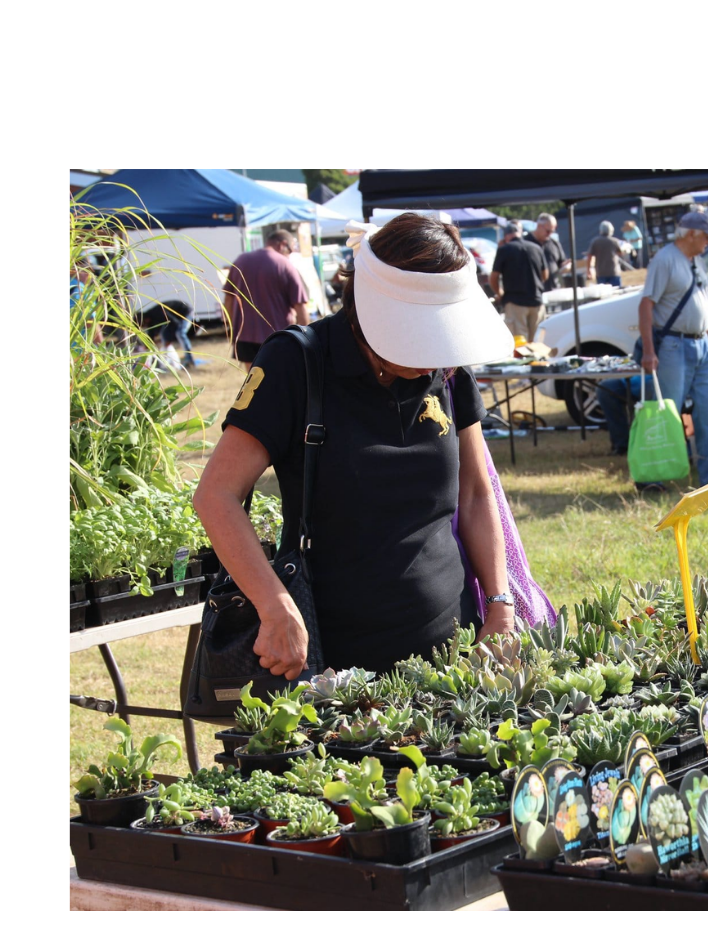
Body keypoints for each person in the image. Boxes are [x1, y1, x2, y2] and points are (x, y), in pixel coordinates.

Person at [193, 213, 517, 678]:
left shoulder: (447, 368)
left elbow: (475, 492)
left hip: (454, 653)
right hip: (334, 668)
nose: (432, 352)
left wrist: (500, 602)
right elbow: (216, 495)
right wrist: (275, 605)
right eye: (421, 331)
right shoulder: (296, 362)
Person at [635, 209, 708, 489]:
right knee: (667, 413)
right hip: (674, 345)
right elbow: (646, 305)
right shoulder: (665, 260)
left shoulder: (697, 261)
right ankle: (656, 477)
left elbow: (705, 306)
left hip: (702, 346)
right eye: (706, 236)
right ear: (691, 234)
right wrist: (649, 351)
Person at [222, 230, 313, 369]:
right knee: (280, 378)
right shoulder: (285, 265)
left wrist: (230, 327)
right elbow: (300, 306)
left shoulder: (240, 261)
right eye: (290, 250)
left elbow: (228, 298)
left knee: (253, 379)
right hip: (278, 336)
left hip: (245, 336)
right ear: (283, 245)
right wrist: (307, 340)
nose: (289, 255)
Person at [490, 224, 548, 342]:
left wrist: (500, 293)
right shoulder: (536, 247)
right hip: (537, 301)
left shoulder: (504, 250)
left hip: (515, 302)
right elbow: (545, 274)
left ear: (506, 236)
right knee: (538, 342)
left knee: (519, 344)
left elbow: (493, 277)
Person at [584, 220, 627, 288]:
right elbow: (620, 253)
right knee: (617, 291)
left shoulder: (595, 241)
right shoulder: (614, 241)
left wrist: (588, 270)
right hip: (613, 271)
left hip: (600, 272)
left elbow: (589, 256)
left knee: (602, 292)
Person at [532, 213, 568, 288]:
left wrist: (566, 266)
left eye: (552, 231)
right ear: (539, 226)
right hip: (534, 290)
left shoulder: (554, 243)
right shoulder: (526, 243)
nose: (550, 234)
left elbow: (561, 262)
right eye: (548, 231)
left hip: (553, 288)